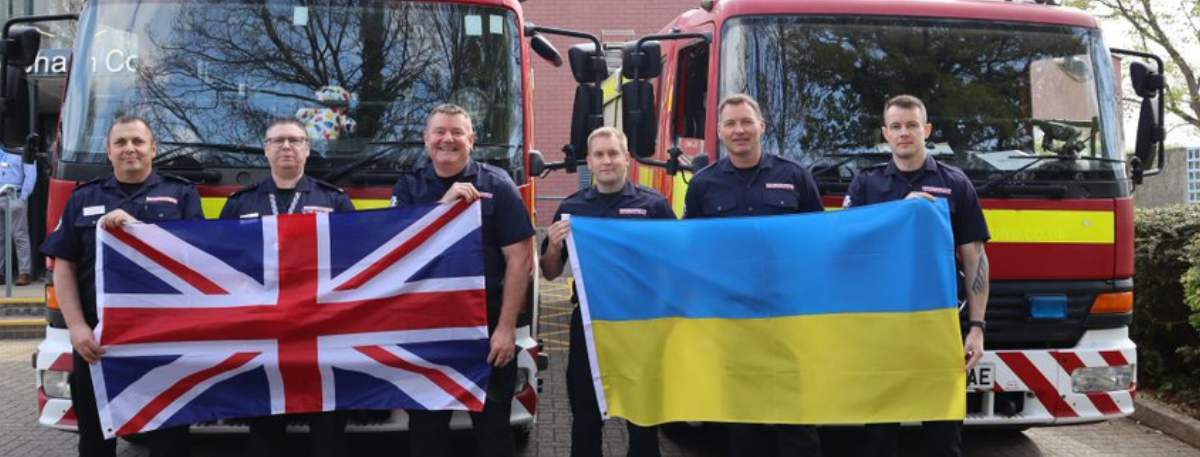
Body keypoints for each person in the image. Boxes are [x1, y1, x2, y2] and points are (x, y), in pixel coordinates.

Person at [40, 115, 201, 457]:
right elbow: (63, 265)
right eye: (121, 142)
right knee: (96, 439)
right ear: (109, 152)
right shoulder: (83, 198)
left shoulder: (181, 195)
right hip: (98, 343)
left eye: (138, 142)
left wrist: (138, 230)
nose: (130, 149)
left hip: (165, 341)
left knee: (170, 439)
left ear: (153, 149)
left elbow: (196, 261)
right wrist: (77, 328)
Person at [845, 94, 990, 457]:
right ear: (885, 134)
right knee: (879, 432)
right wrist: (899, 213)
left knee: (943, 432)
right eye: (896, 126)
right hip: (881, 321)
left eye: (912, 125)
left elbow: (975, 259)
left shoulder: (955, 183)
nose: (904, 133)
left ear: (926, 130)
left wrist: (977, 327)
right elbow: (844, 244)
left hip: (937, 320)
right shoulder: (866, 185)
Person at [683, 94, 824, 457]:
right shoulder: (702, 185)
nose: (739, 130)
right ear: (719, 131)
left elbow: (820, 238)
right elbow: (690, 249)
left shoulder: (795, 176)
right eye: (730, 124)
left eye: (746, 122)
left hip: (788, 314)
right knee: (744, 419)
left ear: (761, 125)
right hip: (733, 318)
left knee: (797, 415)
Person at [392, 103, 533, 457]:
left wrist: (505, 330)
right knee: (426, 435)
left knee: (494, 435)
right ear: (426, 140)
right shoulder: (408, 188)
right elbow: (398, 257)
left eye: (457, 132)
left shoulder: (498, 186)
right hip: (424, 334)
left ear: (471, 139)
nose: (448, 139)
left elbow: (519, 260)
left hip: (484, 334)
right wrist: (443, 207)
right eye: (439, 131)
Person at [219, 116, 353, 457]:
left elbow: (354, 260)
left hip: (320, 334)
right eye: (278, 141)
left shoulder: (335, 201)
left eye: (294, 140)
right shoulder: (240, 203)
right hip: (264, 334)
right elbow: (220, 264)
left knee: (328, 431)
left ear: (307, 150)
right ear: (266, 150)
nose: (286, 147)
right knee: (265, 429)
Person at [541, 126, 672, 457]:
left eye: (613, 153)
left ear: (627, 158)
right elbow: (549, 272)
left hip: (640, 325)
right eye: (599, 155)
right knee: (586, 419)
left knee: (642, 420)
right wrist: (554, 246)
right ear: (589, 161)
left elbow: (676, 265)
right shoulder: (572, 209)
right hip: (588, 326)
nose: (607, 161)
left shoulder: (654, 207)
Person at [0, 144, 36, 286]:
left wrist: (23, 197)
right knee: (0, 237)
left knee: (19, 235)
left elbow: (31, 175)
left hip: (15, 195)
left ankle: (24, 273)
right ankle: (0, 273)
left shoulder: (23, 153)